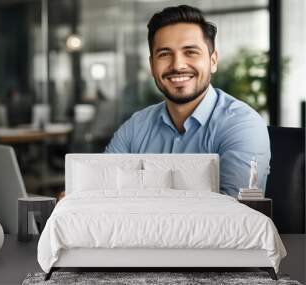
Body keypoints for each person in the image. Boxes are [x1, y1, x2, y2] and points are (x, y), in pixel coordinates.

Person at [105, 5, 270, 197]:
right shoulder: (135, 127)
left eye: (190, 52)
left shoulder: (242, 125)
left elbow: (233, 216)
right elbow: (102, 189)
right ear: (152, 65)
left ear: (213, 61)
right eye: (164, 54)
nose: (177, 65)